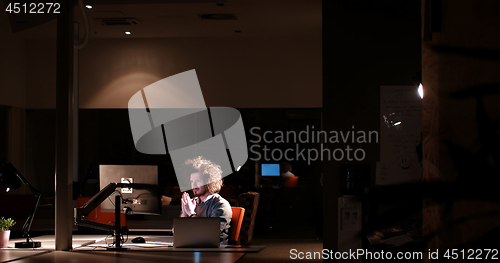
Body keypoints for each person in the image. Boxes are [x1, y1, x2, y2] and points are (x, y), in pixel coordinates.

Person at [180, 156, 232, 243]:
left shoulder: (221, 204)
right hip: (194, 247)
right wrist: (184, 215)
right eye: (192, 182)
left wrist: (192, 214)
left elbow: (209, 233)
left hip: (214, 252)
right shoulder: (192, 203)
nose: (194, 185)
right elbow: (176, 232)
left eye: (198, 181)